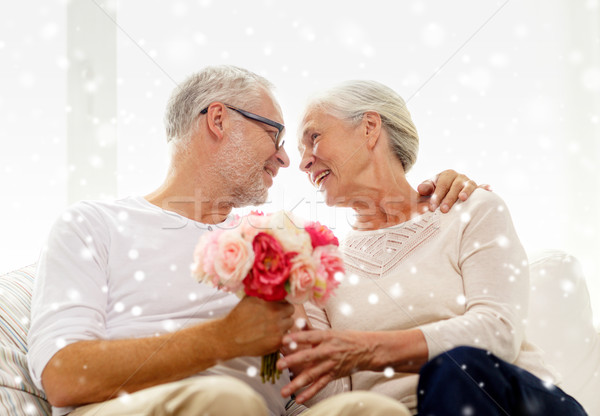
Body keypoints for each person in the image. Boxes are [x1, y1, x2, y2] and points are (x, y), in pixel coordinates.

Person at [27, 66, 475, 416]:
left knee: (371, 410)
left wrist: (440, 194)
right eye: (274, 134)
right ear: (218, 119)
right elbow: (62, 376)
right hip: (140, 407)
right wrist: (225, 337)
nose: (285, 157)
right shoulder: (93, 225)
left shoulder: (278, 237)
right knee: (225, 403)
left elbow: (316, 373)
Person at [277, 80, 588, 415]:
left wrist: (367, 349)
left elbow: (498, 330)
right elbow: (330, 400)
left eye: (314, 138)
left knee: (455, 367)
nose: (304, 163)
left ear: (369, 128)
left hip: (510, 403)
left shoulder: (470, 209)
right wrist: (289, 297)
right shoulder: (320, 265)